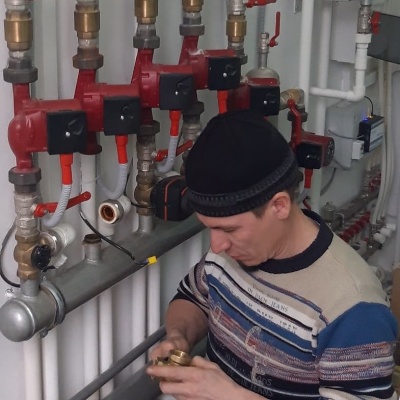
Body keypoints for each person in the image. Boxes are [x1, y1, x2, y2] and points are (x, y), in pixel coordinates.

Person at [146, 110, 398, 400]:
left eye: (229, 229)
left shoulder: (353, 308)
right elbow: (193, 298)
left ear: (279, 206)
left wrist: (233, 397)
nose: (216, 246)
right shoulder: (230, 254)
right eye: (209, 228)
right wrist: (178, 336)